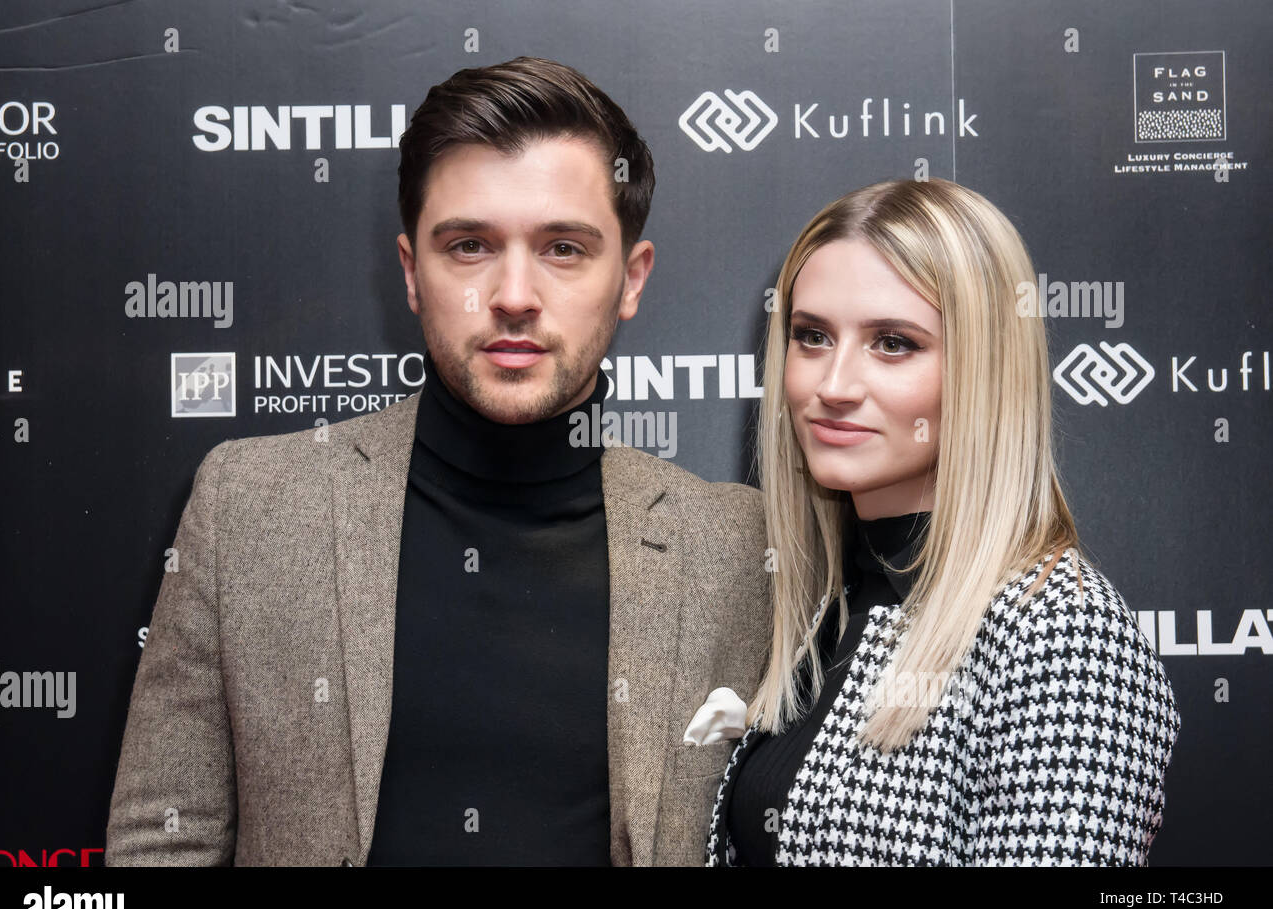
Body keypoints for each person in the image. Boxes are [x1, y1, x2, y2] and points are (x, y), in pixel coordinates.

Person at [106, 56, 770, 867]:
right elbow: (162, 840)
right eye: (468, 246)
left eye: (564, 248)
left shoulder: (738, 547)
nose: (514, 293)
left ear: (630, 278)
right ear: (412, 272)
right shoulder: (250, 506)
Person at [706, 178, 1181, 866]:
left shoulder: (1061, 635)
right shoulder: (822, 607)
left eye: (893, 343)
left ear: (984, 368)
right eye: (812, 336)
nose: (833, 385)